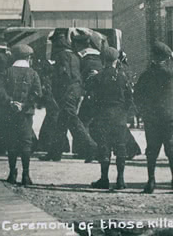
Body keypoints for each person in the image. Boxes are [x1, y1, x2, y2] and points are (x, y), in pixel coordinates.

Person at [134, 40, 173, 194]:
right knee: (171, 149)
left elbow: (137, 95)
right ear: (166, 58)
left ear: (153, 56)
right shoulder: (169, 73)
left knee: (152, 150)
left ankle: (151, 182)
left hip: (151, 116)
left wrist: (143, 111)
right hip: (169, 116)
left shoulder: (146, 74)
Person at [44, 31, 97, 162]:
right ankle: (54, 152)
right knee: (61, 122)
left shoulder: (62, 56)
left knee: (73, 121)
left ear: (58, 43)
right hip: (75, 90)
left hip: (67, 92)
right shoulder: (74, 55)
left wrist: (58, 93)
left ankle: (91, 147)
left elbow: (64, 75)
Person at [0, 44, 42, 186]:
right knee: (26, 142)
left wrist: (11, 102)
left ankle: (12, 173)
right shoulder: (33, 73)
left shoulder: (7, 72)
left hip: (10, 112)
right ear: (28, 58)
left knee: (12, 141)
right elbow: (37, 93)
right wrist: (25, 105)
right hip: (26, 114)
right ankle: (26, 175)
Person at [87, 47, 132, 190]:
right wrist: (124, 113)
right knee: (121, 147)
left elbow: (91, 96)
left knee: (104, 147)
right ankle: (121, 179)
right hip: (119, 117)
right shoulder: (123, 76)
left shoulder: (97, 77)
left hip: (103, 116)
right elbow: (129, 99)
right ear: (116, 60)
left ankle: (104, 178)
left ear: (103, 60)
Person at [75, 32, 103, 162]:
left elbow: (81, 78)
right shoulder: (99, 57)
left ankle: (88, 150)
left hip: (91, 94)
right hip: (100, 95)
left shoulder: (84, 58)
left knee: (83, 121)